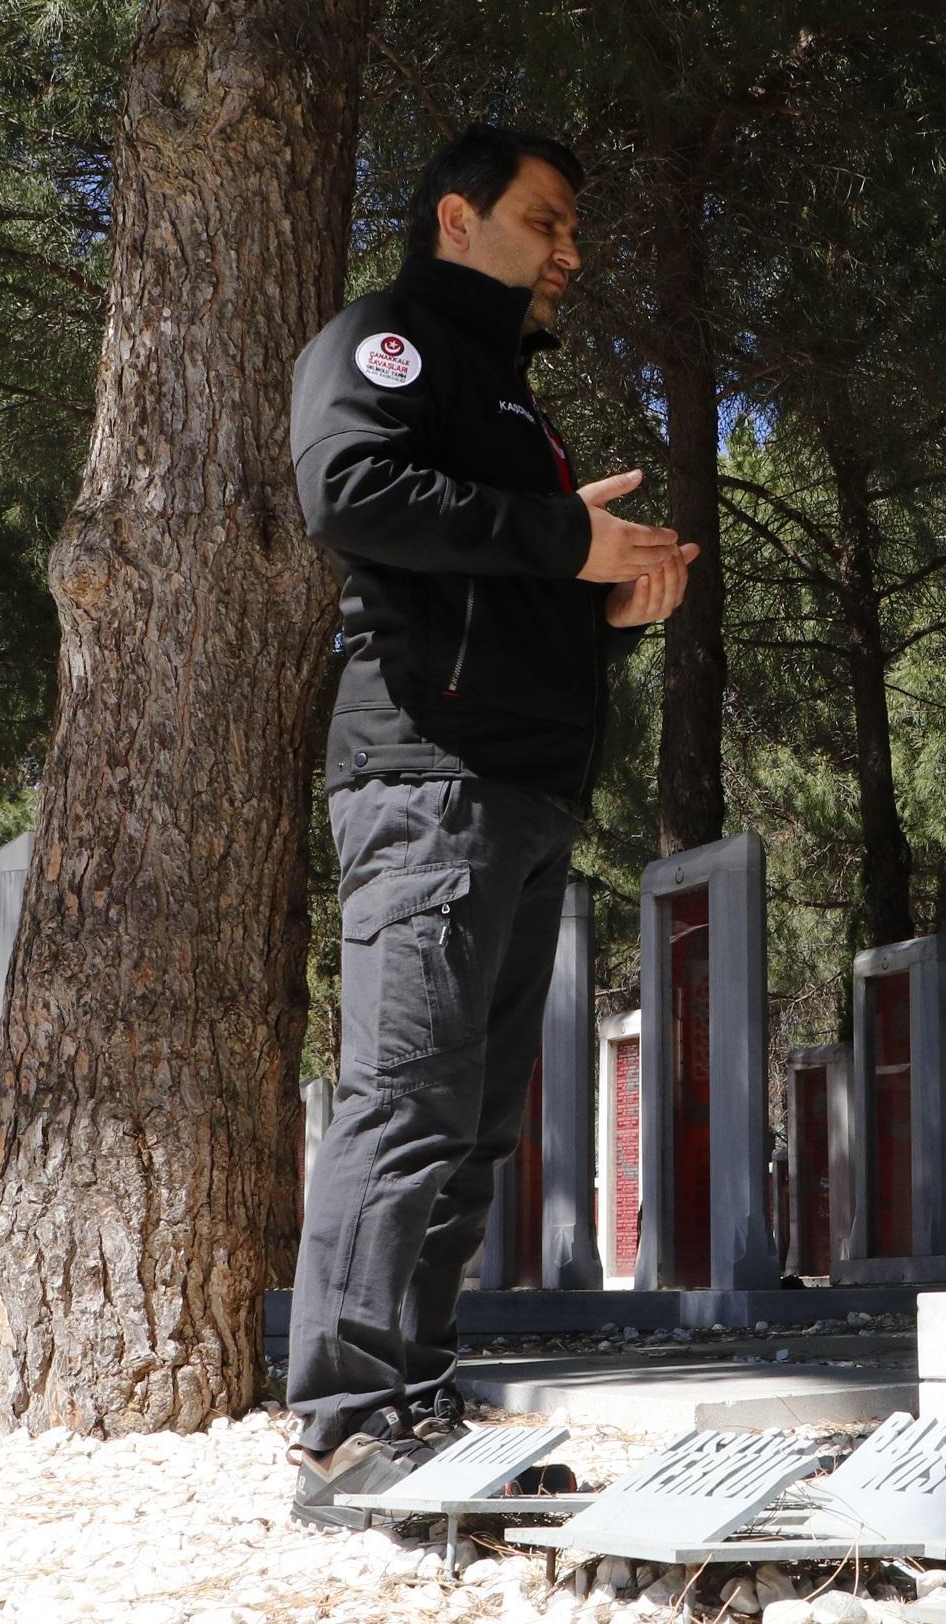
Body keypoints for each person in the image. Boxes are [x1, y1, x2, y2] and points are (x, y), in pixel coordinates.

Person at [283, 124, 695, 1526]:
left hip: (521, 790)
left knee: (476, 1123)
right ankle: (341, 1435)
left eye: (575, 228)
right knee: (405, 1100)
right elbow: (348, 492)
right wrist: (562, 543)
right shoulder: (385, 337)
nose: (570, 251)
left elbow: (499, 591)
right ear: (457, 218)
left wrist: (609, 605)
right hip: (426, 778)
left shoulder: (518, 412)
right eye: (545, 221)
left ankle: (416, 1400)